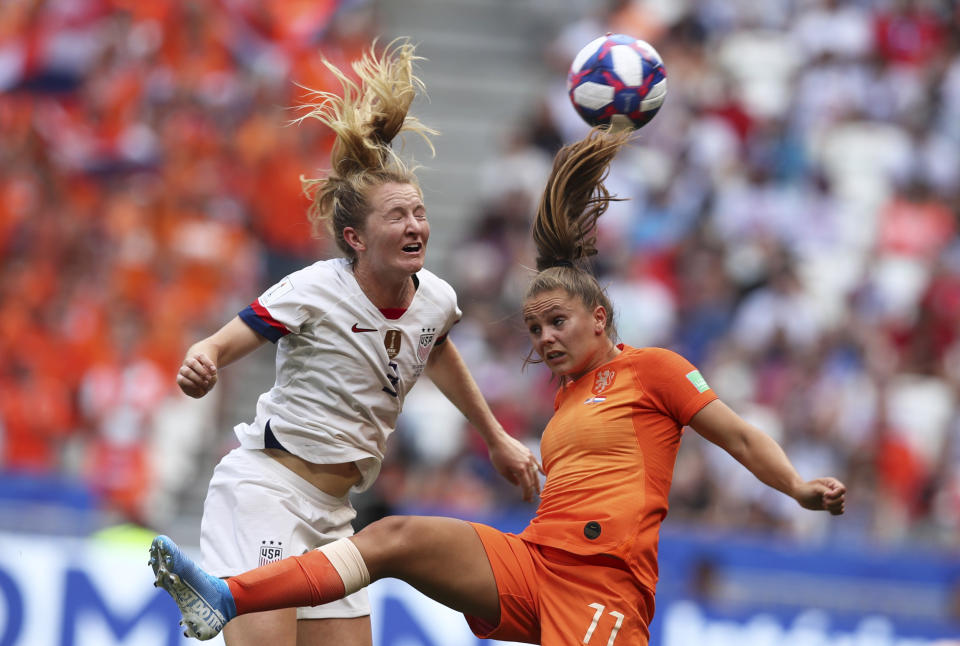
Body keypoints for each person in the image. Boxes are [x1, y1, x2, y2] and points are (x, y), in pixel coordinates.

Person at [152, 128, 846, 645]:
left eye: (556, 324)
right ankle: (225, 595)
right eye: (534, 328)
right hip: (535, 563)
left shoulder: (654, 369)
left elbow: (741, 435)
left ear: (599, 318)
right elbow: (276, 329)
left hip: (605, 587)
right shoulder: (568, 395)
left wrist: (796, 487)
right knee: (394, 536)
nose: (543, 340)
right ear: (356, 238)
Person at [171, 39, 541, 646]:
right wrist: (204, 359)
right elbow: (225, 340)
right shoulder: (313, 289)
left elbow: (436, 349)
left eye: (419, 212)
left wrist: (496, 437)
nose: (416, 224)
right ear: (356, 237)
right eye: (396, 216)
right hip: (267, 493)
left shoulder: (437, 300)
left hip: (335, 519)